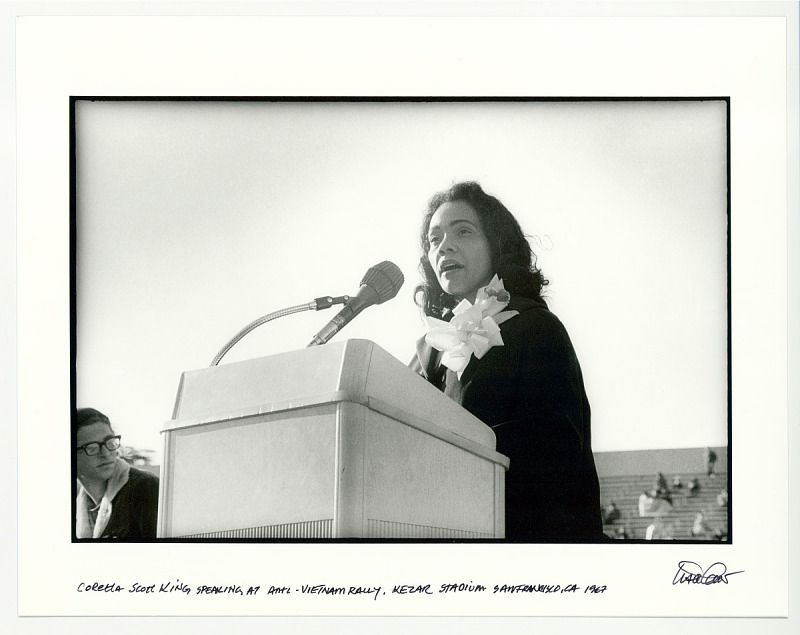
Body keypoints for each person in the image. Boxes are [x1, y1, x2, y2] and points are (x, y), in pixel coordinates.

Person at [410, 181, 602, 541]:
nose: (444, 246)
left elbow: (554, 464)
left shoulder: (536, 328)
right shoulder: (429, 352)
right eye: (434, 239)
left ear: (496, 244)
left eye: (463, 231)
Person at [74, 407, 159, 539]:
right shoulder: (75, 506)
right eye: (92, 447)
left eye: (109, 442)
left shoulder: (145, 488)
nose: (106, 453)